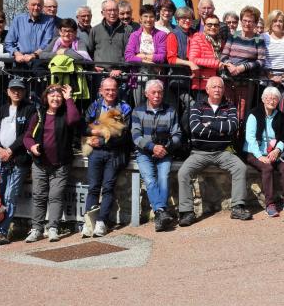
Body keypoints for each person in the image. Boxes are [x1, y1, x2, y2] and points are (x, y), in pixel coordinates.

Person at [178, 76, 252, 226]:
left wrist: (209, 125)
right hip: (199, 152)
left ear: (224, 90)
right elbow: (195, 128)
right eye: (214, 87)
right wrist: (220, 128)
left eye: (220, 87)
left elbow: (232, 127)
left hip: (223, 152)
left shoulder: (230, 107)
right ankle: (187, 212)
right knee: (183, 173)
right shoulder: (197, 106)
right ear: (207, 89)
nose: (217, 90)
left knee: (240, 167)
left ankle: (237, 207)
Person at [23, 84, 80, 242]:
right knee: (39, 196)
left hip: (60, 164)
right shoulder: (38, 115)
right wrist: (32, 146)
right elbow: (27, 136)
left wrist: (69, 98)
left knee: (55, 196)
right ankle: (36, 229)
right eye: (52, 96)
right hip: (40, 163)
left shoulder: (65, 114)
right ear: (46, 98)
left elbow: (75, 119)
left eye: (59, 97)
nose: (55, 99)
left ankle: (53, 227)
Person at [82, 78, 132, 237]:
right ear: (101, 90)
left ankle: (101, 222)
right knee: (93, 187)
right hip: (95, 152)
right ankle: (89, 222)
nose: (110, 93)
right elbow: (84, 126)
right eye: (107, 89)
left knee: (108, 187)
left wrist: (101, 141)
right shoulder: (94, 106)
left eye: (113, 89)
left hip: (114, 153)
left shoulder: (125, 108)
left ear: (117, 90)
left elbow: (123, 136)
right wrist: (93, 134)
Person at [132, 80, 181, 231]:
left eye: (159, 92)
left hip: (164, 152)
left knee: (164, 177)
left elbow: (177, 134)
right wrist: (152, 147)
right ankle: (161, 212)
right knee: (149, 179)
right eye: (153, 92)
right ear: (146, 94)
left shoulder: (171, 111)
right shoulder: (137, 111)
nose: (157, 95)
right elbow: (135, 136)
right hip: (144, 153)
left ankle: (159, 214)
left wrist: (165, 147)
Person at [244, 86, 284, 217]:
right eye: (269, 98)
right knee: (267, 168)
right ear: (263, 99)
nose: (272, 101)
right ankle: (270, 204)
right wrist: (259, 156)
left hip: (273, 152)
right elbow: (250, 138)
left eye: (275, 98)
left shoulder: (282, 117)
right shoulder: (254, 114)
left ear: (278, 101)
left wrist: (277, 150)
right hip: (254, 152)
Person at [0, 79, 35, 245]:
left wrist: (10, 150)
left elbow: (27, 134)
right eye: (13, 89)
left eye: (19, 90)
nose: (16, 92)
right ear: (8, 92)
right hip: (0, 159)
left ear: (24, 92)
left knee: (10, 195)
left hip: (19, 160)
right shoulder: (2, 109)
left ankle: (2, 231)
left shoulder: (30, 110)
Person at [220, 6, 265, 121]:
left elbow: (261, 61)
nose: (247, 23)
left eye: (250, 21)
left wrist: (242, 67)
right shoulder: (233, 36)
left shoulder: (258, 40)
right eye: (244, 20)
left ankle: (239, 138)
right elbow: (224, 55)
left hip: (246, 82)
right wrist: (230, 66)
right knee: (227, 110)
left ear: (255, 23)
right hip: (228, 79)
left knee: (242, 113)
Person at [88, 0, 133, 97]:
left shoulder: (128, 30)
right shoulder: (95, 30)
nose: (112, 13)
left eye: (115, 10)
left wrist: (120, 69)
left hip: (120, 77)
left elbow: (130, 53)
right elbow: (89, 52)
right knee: (100, 108)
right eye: (109, 10)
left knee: (120, 109)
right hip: (100, 77)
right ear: (102, 12)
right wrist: (93, 66)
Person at [124, 4, 167, 107]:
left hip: (155, 77)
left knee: (155, 105)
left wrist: (141, 55)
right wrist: (146, 60)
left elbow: (162, 56)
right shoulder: (134, 35)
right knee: (139, 106)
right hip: (138, 77)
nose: (148, 19)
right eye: (145, 16)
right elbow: (128, 56)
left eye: (151, 16)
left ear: (155, 18)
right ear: (140, 18)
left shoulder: (161, 35)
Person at [4, 0, 55, 73]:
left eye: (39, 5)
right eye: (33, 4)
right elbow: (8, 42)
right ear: (27, 5)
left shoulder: (49, 21)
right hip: (20, 62)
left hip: (39, 62)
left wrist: (33, 55)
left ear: (42, 7)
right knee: (17, 85)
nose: (36, 8)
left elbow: (48, 43)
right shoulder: (18, 19)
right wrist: (16, 53)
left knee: (38, 85)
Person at [262, 9, 284, 113]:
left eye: (280, 21)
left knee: (283, 109)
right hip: (267, 81)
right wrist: (271, 77)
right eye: (275, 20)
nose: (278, 23)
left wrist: (281, 77)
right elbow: (263, 58)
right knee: (267, 109)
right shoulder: (263, 37)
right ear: (270, 22)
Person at [166, 7, 198, 117]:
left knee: (191, 108)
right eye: (183, 18)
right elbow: (171, 59)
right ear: (177, 20)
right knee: (191, 105)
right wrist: (189, 63)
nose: (187, 20)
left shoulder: (195, 34)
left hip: (193, 80)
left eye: (190, 18)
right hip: (178, 79)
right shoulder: (173, 35)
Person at [189, 14, 225, 98]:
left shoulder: (220, 42)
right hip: (203, 82)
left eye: (216, 25)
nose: (213, 27)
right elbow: (193, 59)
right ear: (204, 26)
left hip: (218, 82)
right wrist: (215, 63)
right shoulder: (198, 38)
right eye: (209, 25)